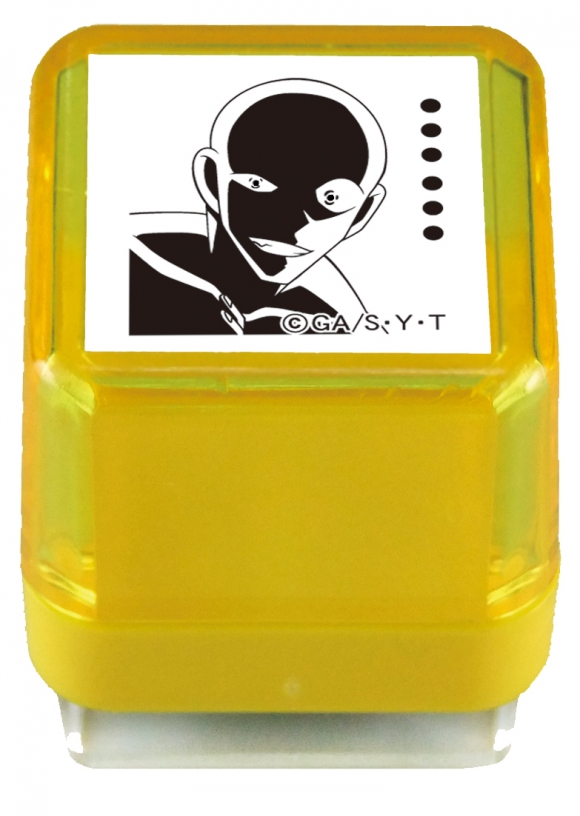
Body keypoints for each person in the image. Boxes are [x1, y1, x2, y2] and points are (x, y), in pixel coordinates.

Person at [129, 78, 387, 336]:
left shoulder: (333, 326)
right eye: (257, 184)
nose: (292, 223)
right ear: (211, 181)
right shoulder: (130, 271)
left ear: (362, 213)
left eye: (331, 199)